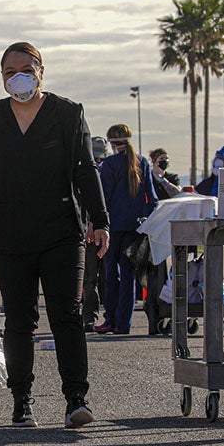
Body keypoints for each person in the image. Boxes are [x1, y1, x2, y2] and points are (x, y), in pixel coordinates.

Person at [0, 42, 109, 429]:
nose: (16, 76)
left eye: (24, 68)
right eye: (8, 71)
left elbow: (85, 169)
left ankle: (76, 399)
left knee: (67, 317)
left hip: (62, 232)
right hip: (10, 233)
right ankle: (22, 402)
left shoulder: (68, 114)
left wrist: (100, 220)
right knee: (19, 321)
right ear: (1, 77)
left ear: (41, 70)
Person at [96, 124, 158, 335]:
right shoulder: (142, 163)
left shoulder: (109, 165)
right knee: (129, 276)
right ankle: (124, 323)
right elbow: (153, 198)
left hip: (113, 226)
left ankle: (111, 319)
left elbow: (103, 197)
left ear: (112, 143)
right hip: (136, 226)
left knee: (111, 274)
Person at [81, 137, 110, 331]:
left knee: (106, 278)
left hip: (106, 229)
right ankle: (89, 316)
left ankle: (110, 315)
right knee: (90, 277)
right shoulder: (85, 172)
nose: (99, 162)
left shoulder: (110, 172)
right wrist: (90, 224)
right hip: (90, 230)